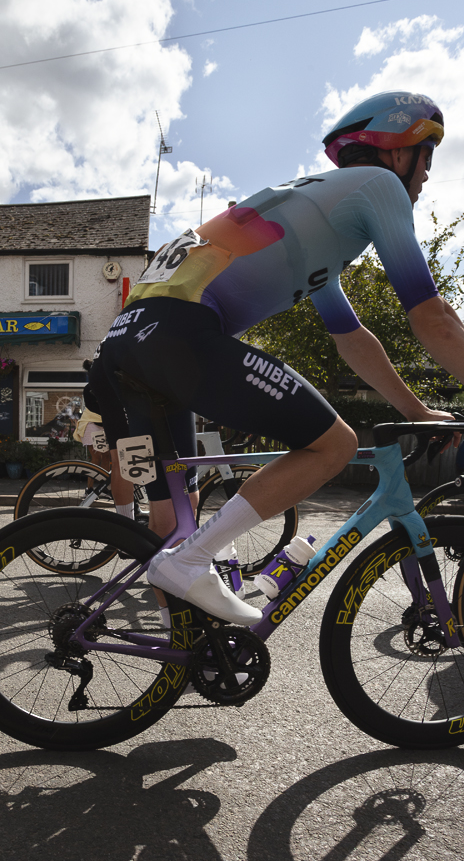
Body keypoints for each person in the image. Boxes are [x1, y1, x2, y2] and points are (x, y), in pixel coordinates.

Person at [99, 89, 459, 626]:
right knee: (335, 445)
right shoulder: (377, 186)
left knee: (174, 522)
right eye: (426, 156)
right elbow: (432, 318)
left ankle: (187, 648)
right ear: (398, 148)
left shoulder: (313, 214)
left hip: (127, 342)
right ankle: (190, 563)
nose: (427, 174)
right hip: (178, 334)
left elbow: (350, 338)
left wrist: (418, 411)